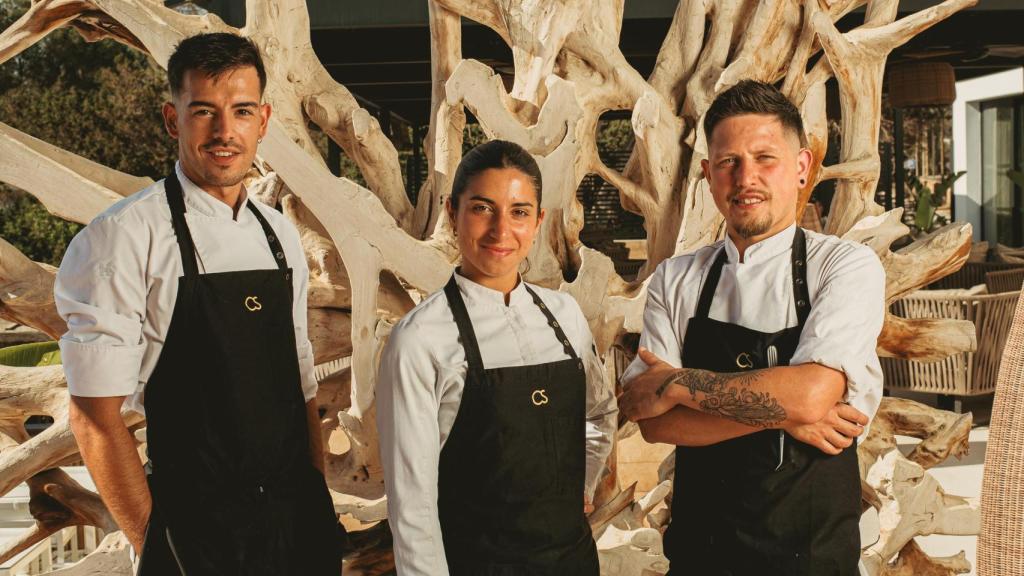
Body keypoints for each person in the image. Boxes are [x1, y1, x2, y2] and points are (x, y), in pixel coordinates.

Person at [55, 32, 344, 575]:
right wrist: (158, 549)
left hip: (298, 529)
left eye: (240, 112)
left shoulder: (280, 235)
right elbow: (93, 418)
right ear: (172, 118)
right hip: (195, 538)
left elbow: (300, 380)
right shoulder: (121, 238)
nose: (224, 132)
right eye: (203, 111)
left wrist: (316, 498)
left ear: (263, 120)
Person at [618, 80, 885, 576]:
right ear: (708, 174)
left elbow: (809, 396)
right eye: (728, 162)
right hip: (702, 553)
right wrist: (784, 413)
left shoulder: (845, 266)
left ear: (802, 168)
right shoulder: (677, 279)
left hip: (811, 556)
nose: (746, 178)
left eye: (765, 158)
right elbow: (654, 422)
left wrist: (676, 383)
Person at [377, 140, 617, 576]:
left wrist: (579, 485)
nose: (500, 231)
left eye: (520, 212)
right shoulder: (420, 339)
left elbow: (600, 411)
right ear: (452, 213)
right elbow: (412, 504)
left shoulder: (564, 316)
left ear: (540, 220)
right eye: (483, 208)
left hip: (573, 562)